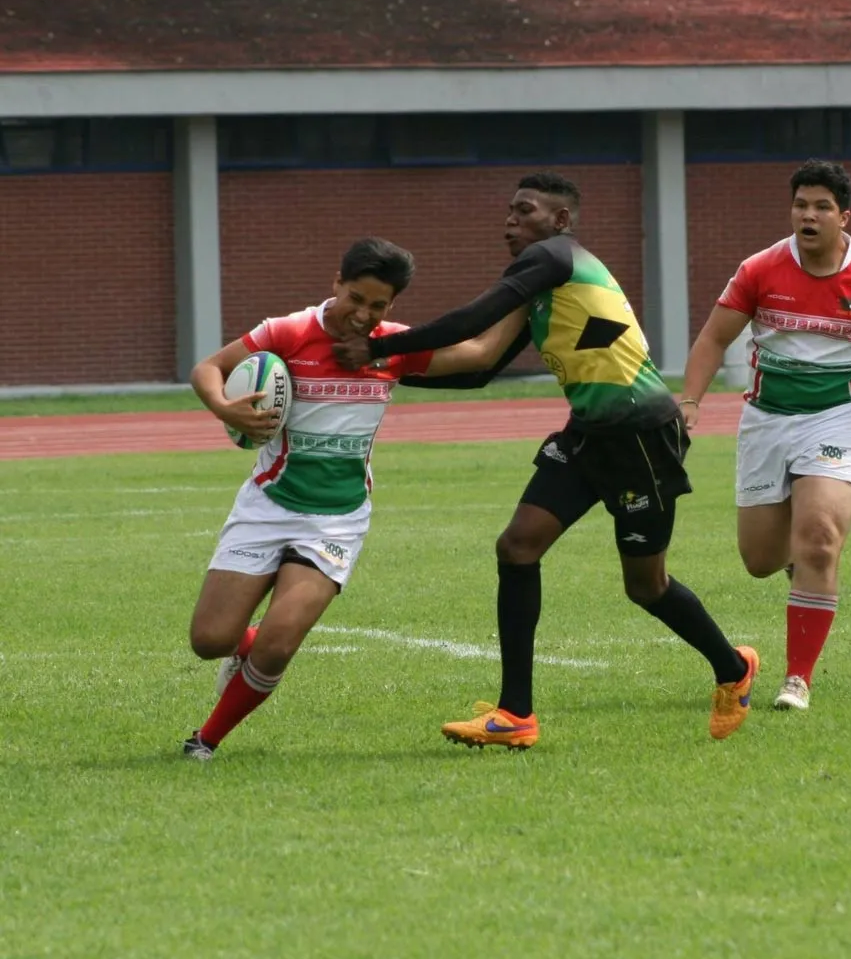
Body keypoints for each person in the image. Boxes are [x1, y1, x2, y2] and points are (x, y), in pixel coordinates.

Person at [332, 171, 758, 748]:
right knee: (517, 546)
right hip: (589, 434)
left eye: (523, 210)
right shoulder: (540, 284)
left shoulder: (557, 256)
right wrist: (385, 373)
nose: (510, 219)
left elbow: (472, 320)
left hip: (640, 435)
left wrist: (379, 346)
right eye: (508, 210)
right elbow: (481, 363)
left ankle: (734, 669)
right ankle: (516, 715)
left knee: (646, 587)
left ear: (559, 221)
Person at [182, 238, 528, 759]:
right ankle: (245, 645)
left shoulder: (391, 347)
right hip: (267, 507)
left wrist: (527, 293)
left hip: (336, 522)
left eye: (378, 306)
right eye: (356, 299)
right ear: (336, 284)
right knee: (210, 640)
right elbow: (208, 368)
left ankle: (204, 741)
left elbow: (479, 354)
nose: (363, 315)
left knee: (281, 643)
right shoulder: (289, 331)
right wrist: (225, 408)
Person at [678, 159, 851, 712]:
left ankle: (797, 679)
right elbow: (711, 339)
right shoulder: (760, 270)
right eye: (800, 205)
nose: (808, 216)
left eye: (821, 207)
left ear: (844, 216)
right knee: (760, 559)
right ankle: (804, 566)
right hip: (767, 421)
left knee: (818, 538)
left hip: (838, 419)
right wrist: (690, 402)